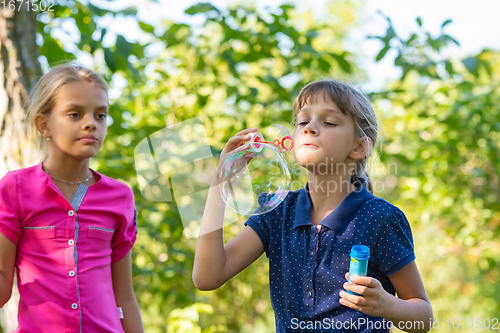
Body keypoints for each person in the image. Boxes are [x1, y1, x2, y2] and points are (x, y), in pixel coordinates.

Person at [193, 79, 433, 332]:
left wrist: (388, 305)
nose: (310, 128)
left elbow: (423, 318)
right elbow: (207, 277)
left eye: (328, 122)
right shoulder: (278, 213)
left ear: (359, 146)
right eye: (302, 122)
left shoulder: (380, 218)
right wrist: (220, 180)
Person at [0, 64, 144, 332]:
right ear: (44, 125)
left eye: (100, 115)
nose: (91, 123)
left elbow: (124, 296)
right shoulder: (14, 189)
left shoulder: (120, 196)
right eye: (75, 114)